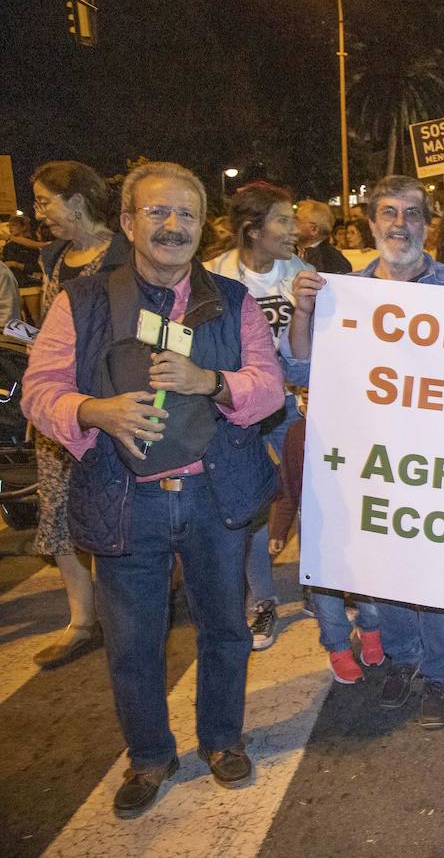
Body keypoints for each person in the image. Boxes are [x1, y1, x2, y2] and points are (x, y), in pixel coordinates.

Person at [22, 161, 282, 817]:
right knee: (134, 643)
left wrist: (211, 383)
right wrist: (93, 410)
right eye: (157, 213)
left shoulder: (232, 300)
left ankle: (223, 740)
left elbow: (270, 388)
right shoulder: (80, 301)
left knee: (225, 628)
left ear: (203, 227)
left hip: (212, 496)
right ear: (130, 222)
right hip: (122, 497)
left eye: (186, 215)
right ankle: (149, 756)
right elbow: (39, 390)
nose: (172, 226)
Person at [287, 174, 444, 726]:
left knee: (431, 567)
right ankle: (402, 658)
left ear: (427, 223)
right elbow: (300, 365)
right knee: (384, 565)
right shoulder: (344, 291)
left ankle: (439, 675)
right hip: (373, 457)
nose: (399, 224)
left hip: (437, 454)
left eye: (411, 213)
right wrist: (301, 310)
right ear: (370, 224)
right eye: (388, 212)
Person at [27, 161, 132, 669]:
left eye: (46, 201)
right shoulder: (53, 258)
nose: (39, 212)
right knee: (58, 511)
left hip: (109, 404)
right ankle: (81, 622)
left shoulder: (125, 255)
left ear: (76, 201)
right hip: (56, 408)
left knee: (118, 507)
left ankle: (132, 609)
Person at [206, 182, 315, 651]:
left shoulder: (303, 274)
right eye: (283, 220)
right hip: (237, 405)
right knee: (252, 503)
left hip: (289, 400)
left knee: (312, 489)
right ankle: (262, 602)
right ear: (252, 229)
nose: (296, 229)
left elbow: (308, 349)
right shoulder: (213, 276)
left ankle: (318, 585)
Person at [295, 199, 352, 274]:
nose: (289, 224)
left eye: (296, 220)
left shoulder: (332, 261)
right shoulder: (287, 252)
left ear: (313, 229)